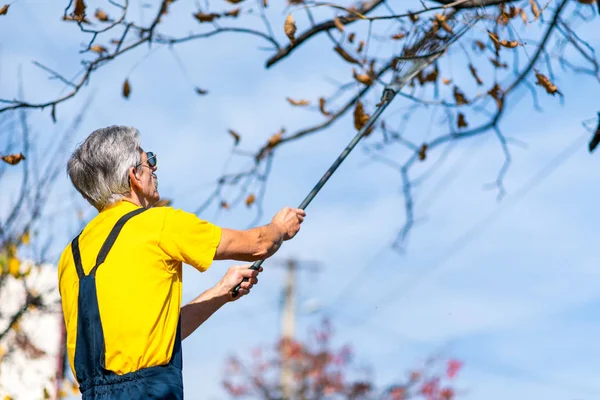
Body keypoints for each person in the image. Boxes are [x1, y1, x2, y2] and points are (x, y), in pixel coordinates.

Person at [57, 125, 306, 399]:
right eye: (148, 161)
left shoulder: (71, 256)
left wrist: (220, 292)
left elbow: (159, 338)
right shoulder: (159, 223)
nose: (154, 169)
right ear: (134, 176)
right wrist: (280, 228)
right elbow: (258, 244)